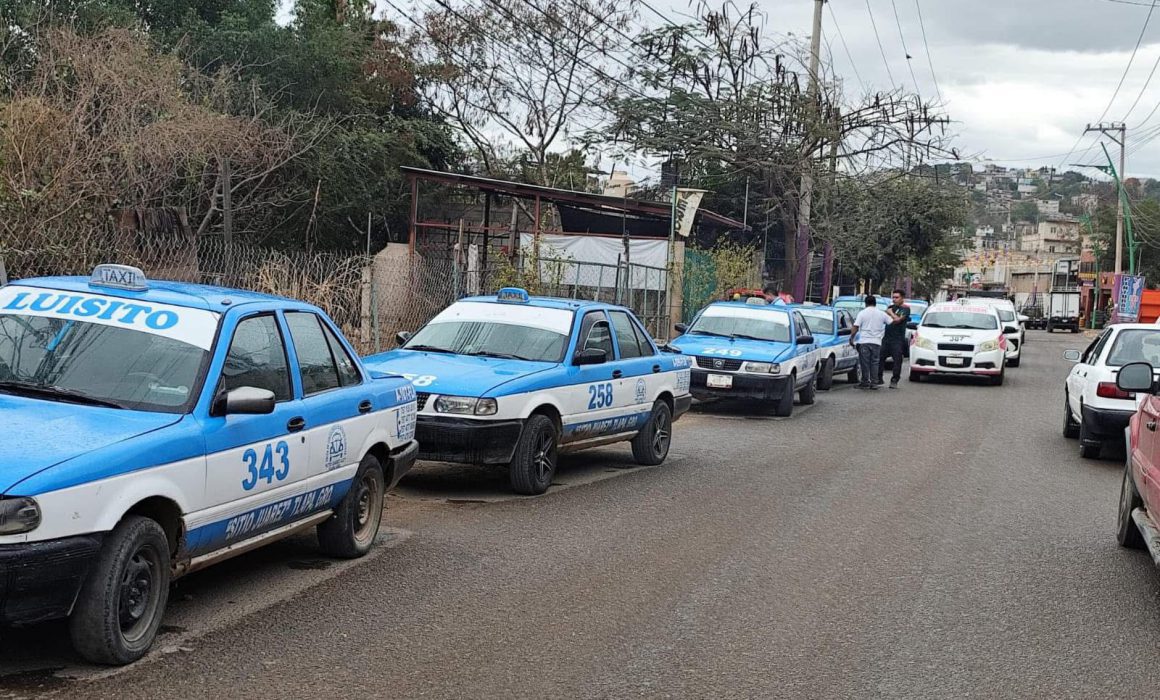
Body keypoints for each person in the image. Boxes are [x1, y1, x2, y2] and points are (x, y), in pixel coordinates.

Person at [849, 295, 894, 390]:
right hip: (877, 342)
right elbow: (891, 322)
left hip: (864, 341)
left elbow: (855, 327)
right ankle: (874, 383)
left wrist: (851, 338)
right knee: (875, 363)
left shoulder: (862, 313)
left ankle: (865, 381)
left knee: (864, 363)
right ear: (875, 303)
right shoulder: (881, 314)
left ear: (866, 303)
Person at [878, 289, 911, 389]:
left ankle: (894, 380)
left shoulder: (905, 309)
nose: (894, 299)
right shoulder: (891, 307)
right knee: (880, 358)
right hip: (886, 337)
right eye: (893, 297)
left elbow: (897, 320)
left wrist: (890, 313)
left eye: (897, 297)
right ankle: (878, 378)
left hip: (897, 339)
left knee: (897, 360)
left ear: (902, 298)